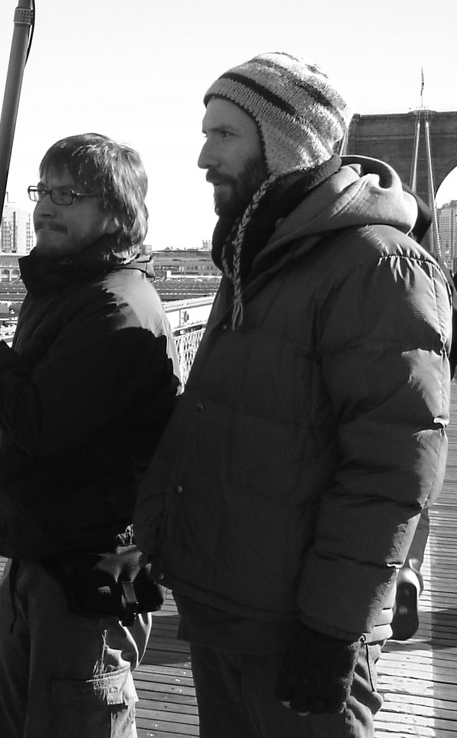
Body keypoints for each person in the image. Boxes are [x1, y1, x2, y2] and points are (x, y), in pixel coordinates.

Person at [134, 52, 452, 737]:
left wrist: (334, 627)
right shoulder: (258, 255)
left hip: (297, 626)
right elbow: (210, 417)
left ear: (282, 145)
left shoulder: (375, 264)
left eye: (223, 133)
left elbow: (393, 466)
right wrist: (155, 540)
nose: (201, 155)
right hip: (227, 608)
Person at [0, 134, 181, 737]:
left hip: (89, 573)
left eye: (70, 194)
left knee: (77, 721)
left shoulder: (115, 309)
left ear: (115, 213)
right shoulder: (68, 292)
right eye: (43, 190)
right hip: (39, 555)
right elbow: (55, 415)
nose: (46, 207)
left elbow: (43, 421)